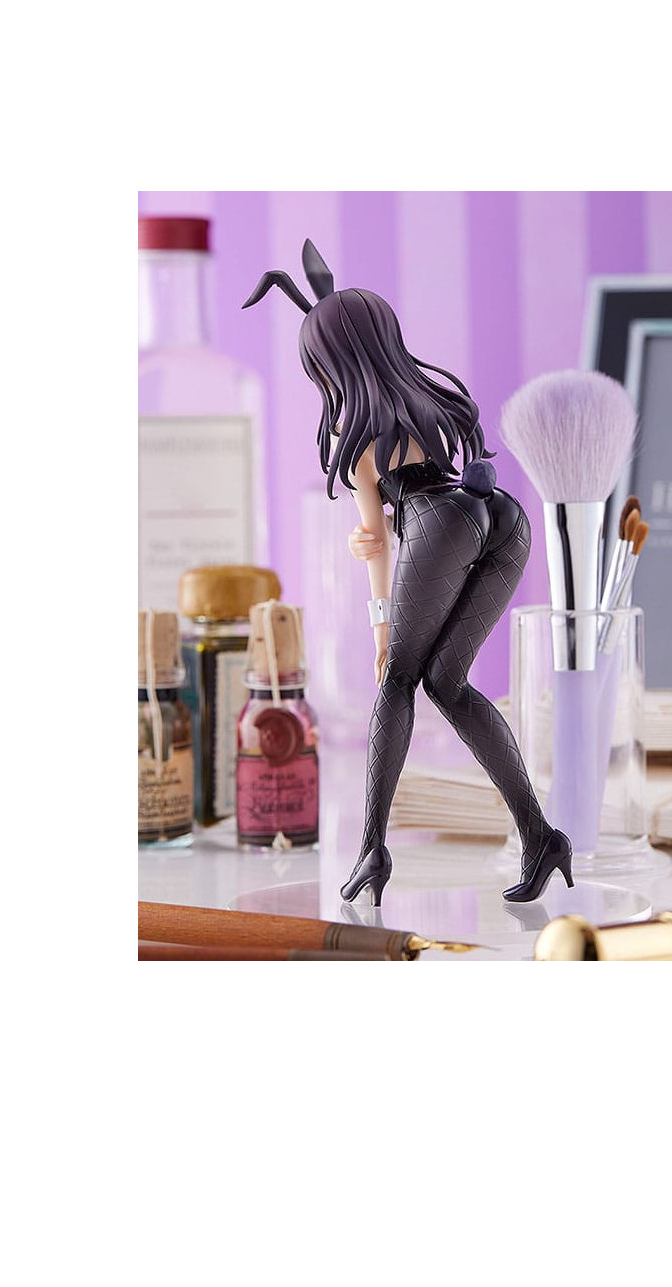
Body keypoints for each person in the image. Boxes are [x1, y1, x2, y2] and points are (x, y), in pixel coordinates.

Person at [243, 240, 571, 906]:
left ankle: (372, 846)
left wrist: (382, 629)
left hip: (439, 524)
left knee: (397, 680)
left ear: (330, 364)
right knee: (446, 682)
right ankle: (542, 837)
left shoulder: (358, 435)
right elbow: (415, 511)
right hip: (501, 515)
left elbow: (377, 542)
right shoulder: (427, 399)